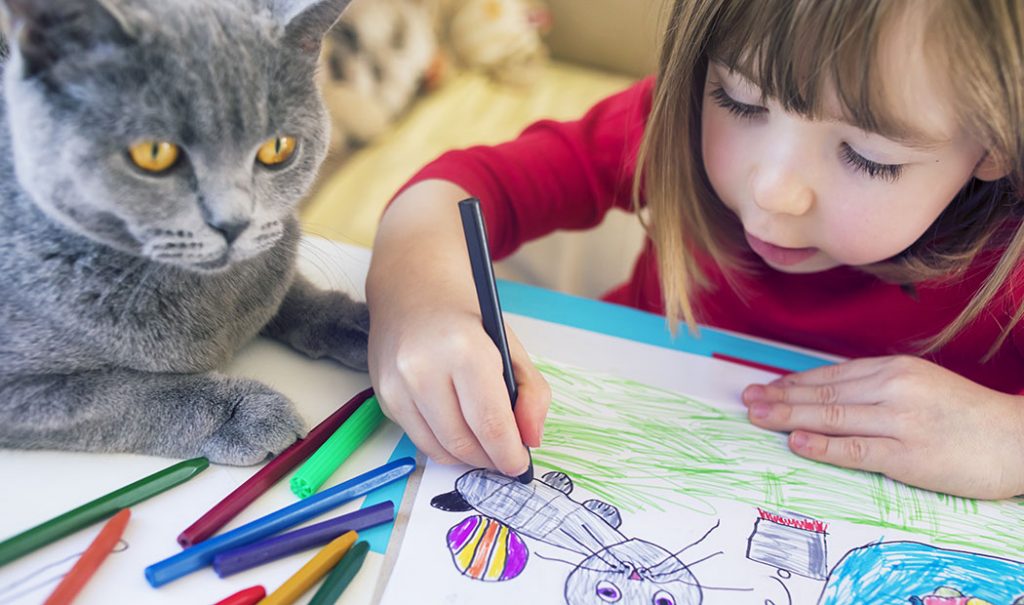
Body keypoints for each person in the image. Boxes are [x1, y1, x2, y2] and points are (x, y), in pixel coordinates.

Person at [365, 0, 1024, 500]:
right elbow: (460, 189)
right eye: (738, 100)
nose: (772, 191)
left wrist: (1008, 440)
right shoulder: (672, 123)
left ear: (993, 142)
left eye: (866, 156)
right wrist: (416, 298)